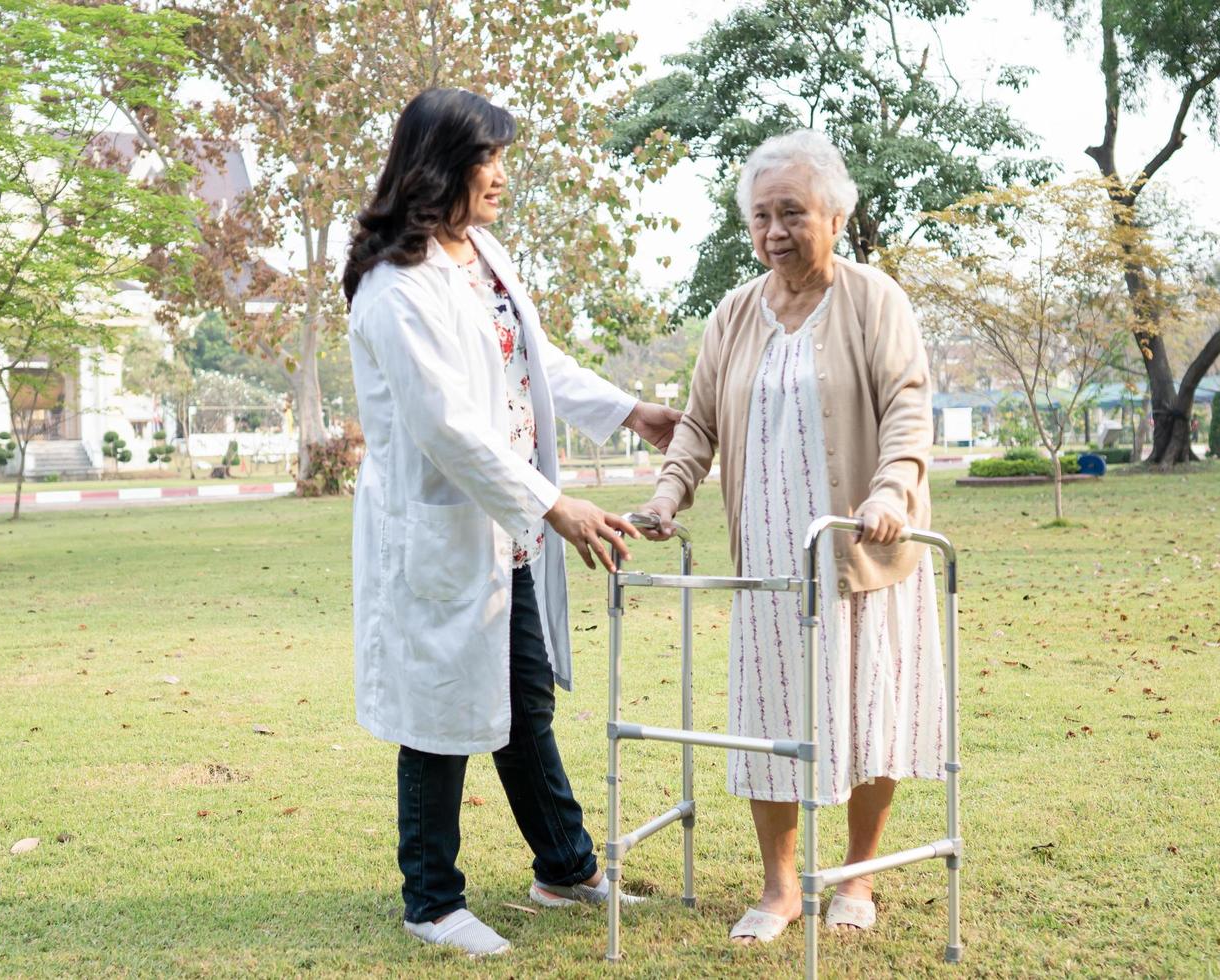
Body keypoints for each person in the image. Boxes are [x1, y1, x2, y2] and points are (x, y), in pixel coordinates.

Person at [342, 88, 681, 958]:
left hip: (505, 527)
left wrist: (629, 408)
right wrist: (552, 502)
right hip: (446, 527)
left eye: (500, 157)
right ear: (439, 167)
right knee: (439, 714)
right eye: (485, 158)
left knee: (523, 697)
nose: (499, 175)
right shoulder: (394, 284)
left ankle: (563, 868)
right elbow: (444, 427)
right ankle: (431, 901)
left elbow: (534, 360)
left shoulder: (478, 255)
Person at [637, 129, 944, 945]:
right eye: (762, 216)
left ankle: (858, 873)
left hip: (860, 548)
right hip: (769, 561)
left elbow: (908, 405)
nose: (775, 230)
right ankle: (779, 887)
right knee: (765, 719)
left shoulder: (875, 299)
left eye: (792, 213)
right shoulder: (734, 313)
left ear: (834, 218)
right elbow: (697, 423)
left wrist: (891, 490)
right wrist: (667, 498)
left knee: (869, 714)